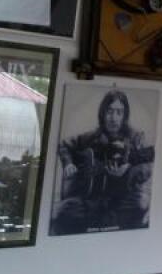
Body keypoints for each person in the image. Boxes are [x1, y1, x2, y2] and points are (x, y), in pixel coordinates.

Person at [51, 90, 153, 235]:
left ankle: (106, 224)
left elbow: (148, 163)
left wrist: (128, 169)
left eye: (119, 112)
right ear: (103, 113)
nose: (113, 118)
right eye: (109, 112)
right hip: (94, 199)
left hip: (123, 198)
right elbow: (64, 145)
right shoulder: (92, 136)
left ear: (124, 116)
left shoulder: (136, 137)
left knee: (140, 203)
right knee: (62, 211)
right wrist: (68, 163)